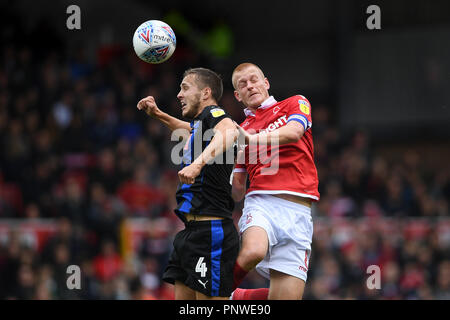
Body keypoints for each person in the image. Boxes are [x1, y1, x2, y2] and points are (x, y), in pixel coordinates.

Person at [136, 68, 239, 300]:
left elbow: (230, 131)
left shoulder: (216, 114)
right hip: (190, 233)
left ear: (205, 93)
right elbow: (187, 131)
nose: (179, 95)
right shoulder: (201, 126)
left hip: (211, 231)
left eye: (185, 88)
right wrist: (158, 114)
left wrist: (198, 164)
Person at [230, 62, 320, 300]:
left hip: (299, 213)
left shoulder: (294, 103)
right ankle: (215, 290)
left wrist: (252, 139)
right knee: (252, 252)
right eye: (243, 84)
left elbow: (294, 133)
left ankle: (232, 297)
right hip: (262, 204)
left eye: (254, 80)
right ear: (237, 96)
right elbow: (237, 190)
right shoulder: (241, 130)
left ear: (266, 83)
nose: (250, 86)